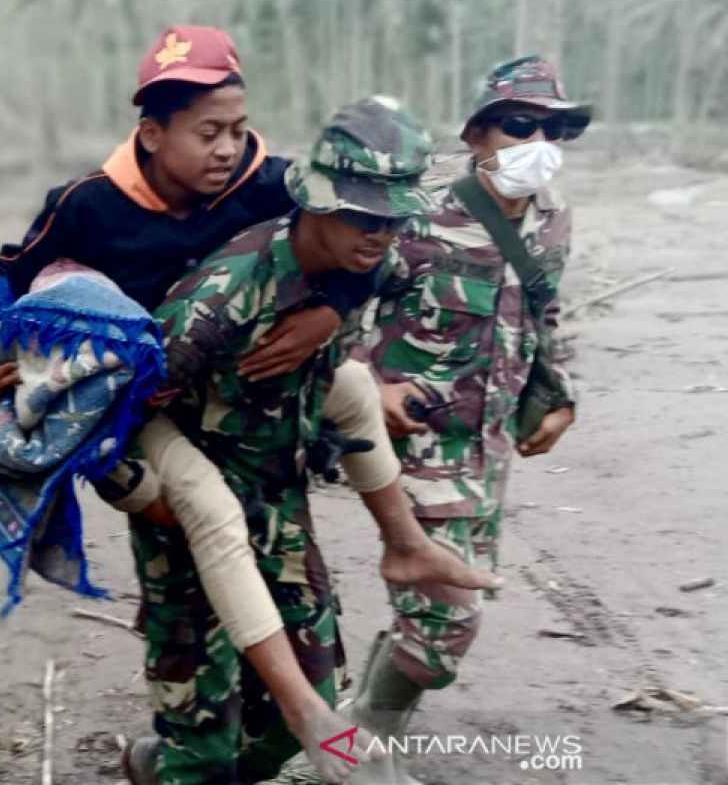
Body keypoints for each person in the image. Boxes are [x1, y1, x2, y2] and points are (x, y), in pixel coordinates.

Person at [124, 96, 469, 785]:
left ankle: (343, 769)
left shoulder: (371, 257)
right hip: (191, 523)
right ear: (316, 201)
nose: (382, 233)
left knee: (296, 724)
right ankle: (160, 765)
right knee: (205, 759)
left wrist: (332, 315)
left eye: (394, 217)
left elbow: (403, 278)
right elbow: (108, 424)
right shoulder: (213, 306)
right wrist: (148, 498)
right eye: (365, 215)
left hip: (280, 511)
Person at [354, 56, 592, 784]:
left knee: (429, 621)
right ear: (477, 133)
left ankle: (350, 742)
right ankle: (359, 750)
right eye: (520, 124)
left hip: (489, 451)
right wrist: (365, 388)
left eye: (554, 128)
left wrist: (558, 397)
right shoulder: (413, 216)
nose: (538, 141)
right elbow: (329, 307)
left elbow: (541, 319)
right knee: (445, 625)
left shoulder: (552, 222)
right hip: (412, 447)